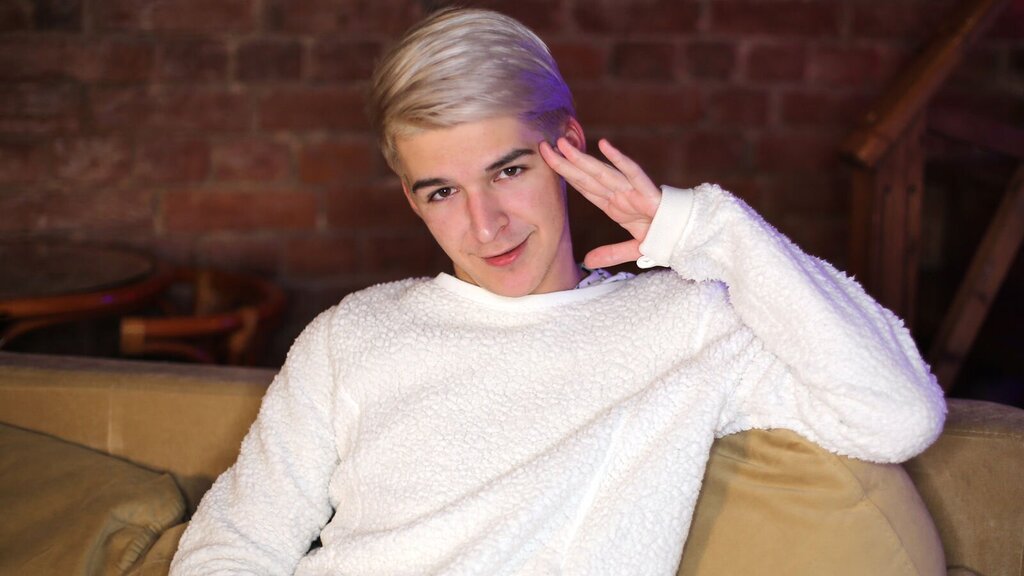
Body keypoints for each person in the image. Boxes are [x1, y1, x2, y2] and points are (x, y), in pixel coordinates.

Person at [170, 7, 946, 576]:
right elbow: (236, 544)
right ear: (411, 198)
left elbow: (896, 413)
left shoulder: (686, 322)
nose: (485, 225)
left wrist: (700, 228)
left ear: (566, 147)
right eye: (442, 192)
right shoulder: (352, 335)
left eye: (509, 171)